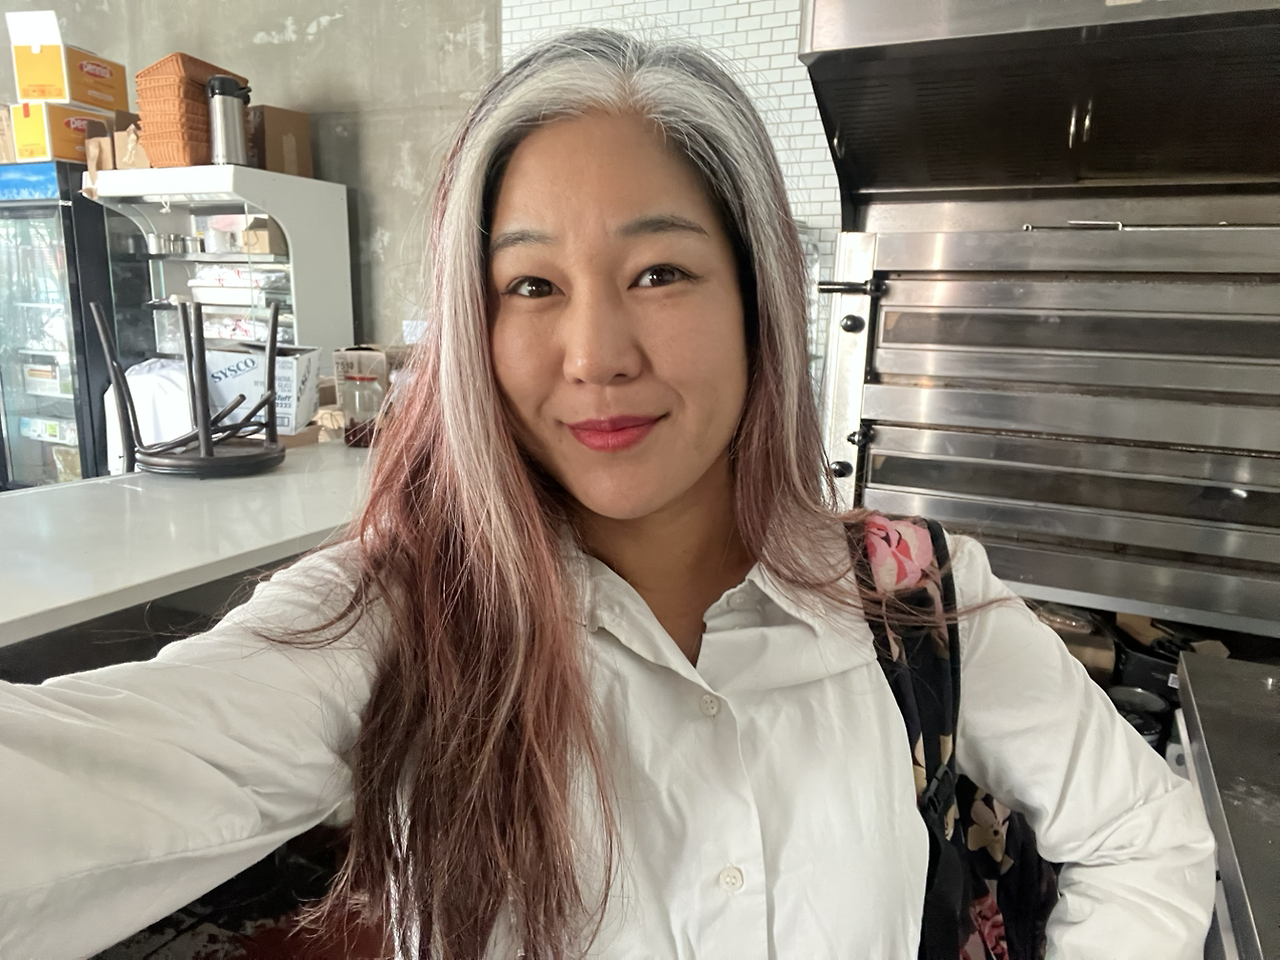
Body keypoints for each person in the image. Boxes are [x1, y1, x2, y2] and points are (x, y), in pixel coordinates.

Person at [0, 29, 1215, 960]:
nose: (594, 355)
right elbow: (83, 786)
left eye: (659, 272)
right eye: (530, 286)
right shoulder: (396, 620)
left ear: (757, 301)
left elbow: (1147, 838)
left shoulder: (909, 595)